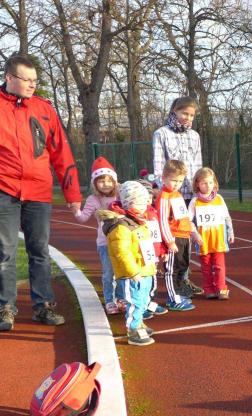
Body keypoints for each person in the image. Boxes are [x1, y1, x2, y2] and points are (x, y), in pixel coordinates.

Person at [0, 54, 81, 332]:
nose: (32, 85)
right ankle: (5, 308)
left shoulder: (44, 109)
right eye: (26, 80)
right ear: (9, 78)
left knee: (40, 251)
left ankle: (43, 305)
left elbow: (61, 153)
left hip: (38, 190)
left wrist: (72, 194)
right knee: (4, 251)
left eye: (35, 80)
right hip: (4, 189)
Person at [152, 96, 203, 295]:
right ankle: (172, 283)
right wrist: (164, 190)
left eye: (191, 115)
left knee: (186, 240)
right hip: (171, 197)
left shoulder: (195, 136)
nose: (187, 118)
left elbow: (197, 164)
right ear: (174, 111)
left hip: (188, 196)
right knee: (171, 241)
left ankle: (183, 279)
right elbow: (159, 167)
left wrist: (199, 189)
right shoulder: (161, 134)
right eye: (184, 113)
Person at [100, 181, 158, 346]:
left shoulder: (139, 221)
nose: (144, 206)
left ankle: (139, 323)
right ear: (128, 203)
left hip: (145, 270)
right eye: (139, 203)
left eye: (145, 202)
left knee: (143, 301)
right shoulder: (121, 227)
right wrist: (133, 272)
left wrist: (151, 265)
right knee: (135, 302)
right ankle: (133, 330)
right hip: (132, 274)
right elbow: (122, 253)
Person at [73, 157, 125, 314]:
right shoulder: (93, 199)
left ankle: (121, 298)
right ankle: (109, 300)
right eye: (101, 181)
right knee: (109, 273)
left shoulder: (121, 195)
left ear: (115, 181)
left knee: (122, 271)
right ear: (94, 183)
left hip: (122, 241)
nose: (106, 184)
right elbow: (83, 218)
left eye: (109, 180)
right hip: (105, 242)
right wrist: (76, 210)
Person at [155, 160, 197, 311]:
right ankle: (173, 298)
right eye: (174, 180)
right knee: (172, 269)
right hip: (174, 237)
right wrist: (169, 241)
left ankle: (179, 293)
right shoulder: (164, 197)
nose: (177, 184)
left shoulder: (177, 194)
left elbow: (183, 216)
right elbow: (162, 221)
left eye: (180, 181)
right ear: (164, 178)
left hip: (184, 236)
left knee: (182, 266)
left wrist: (190, 232)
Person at [188, 168, 234, 299]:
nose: (208, 186)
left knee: (219, 266)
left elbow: (227, 217)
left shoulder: (219, 199)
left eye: (210, 182)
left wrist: (231, 232)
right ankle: (208, 289)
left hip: (218, 239)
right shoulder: (195, 201)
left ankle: (221, 289)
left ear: (214, 183)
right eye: (204, 183)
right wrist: (195, 234)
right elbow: (188, 221)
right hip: (203, 240)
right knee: (206, 267)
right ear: (197, 184)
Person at [135, 178, 169, 321]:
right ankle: (139, 306)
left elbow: (158, 233)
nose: (148, 200)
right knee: (140, 282)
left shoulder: (154, 212)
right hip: (139, 254)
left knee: (151, 281)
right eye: (144, 197)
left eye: (150, 197)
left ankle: (148, 303)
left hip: (152, 254)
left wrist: (163, 250)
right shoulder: (134, 215)